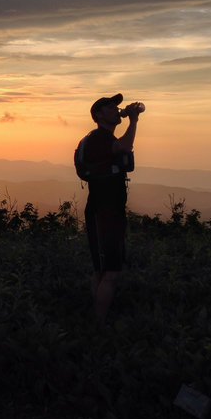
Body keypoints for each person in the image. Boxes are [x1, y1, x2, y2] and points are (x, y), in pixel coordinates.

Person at [80, 93, 143, 323]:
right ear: (98, 115)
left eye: (117, 106)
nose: (117, 110)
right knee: (112, 272)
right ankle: (99, 325)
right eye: (110, 107)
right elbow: (124, 146)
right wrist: (133, 120)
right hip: (104, 211)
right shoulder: (99, 138)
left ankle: (95, 319)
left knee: (101, 269)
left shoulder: (102, 138)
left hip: (106, 210)